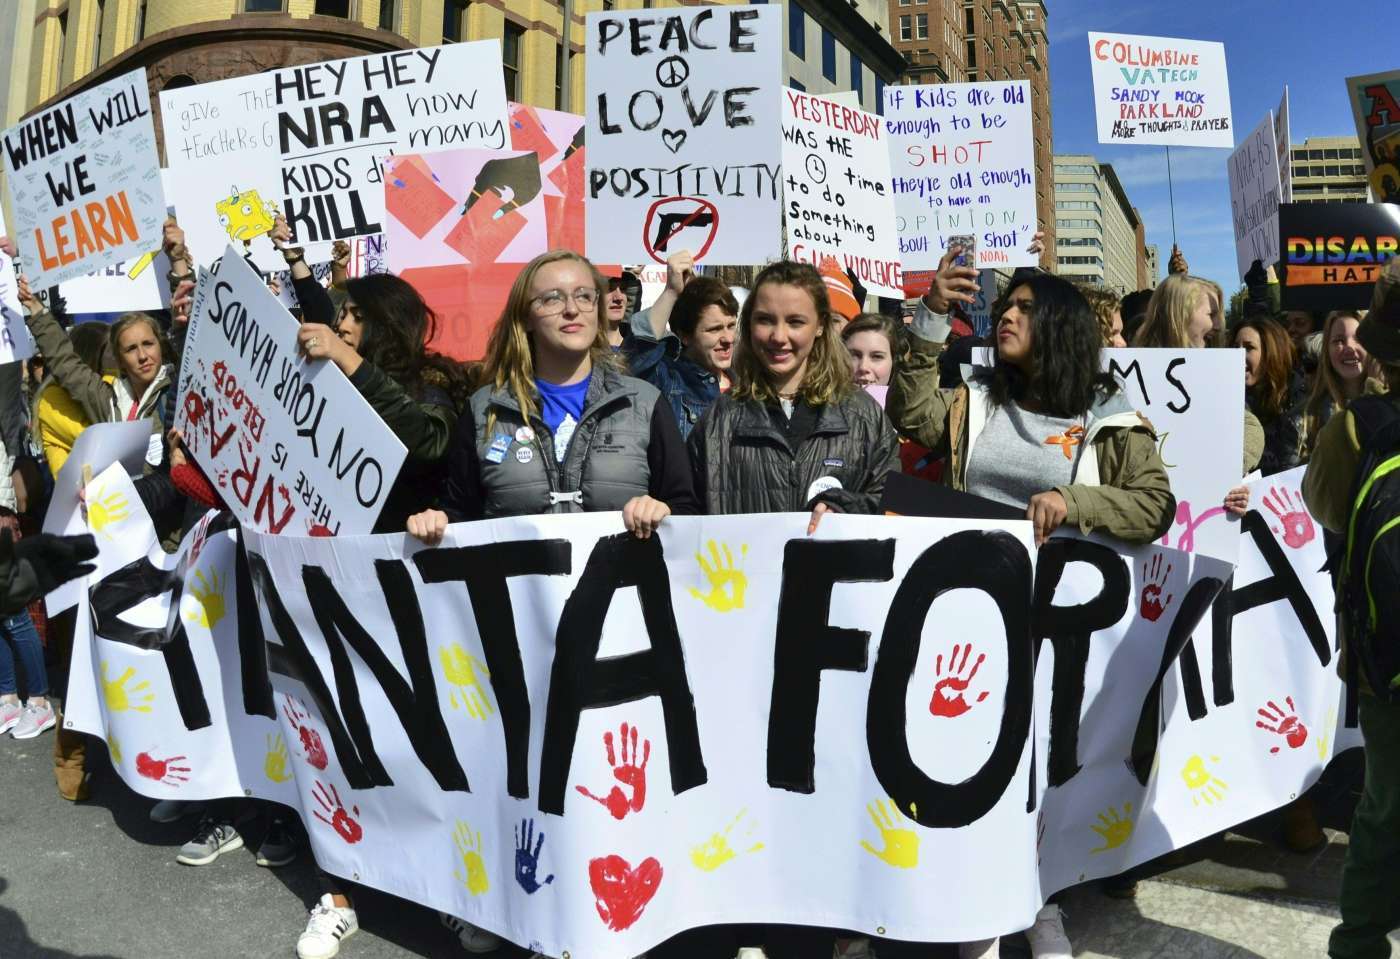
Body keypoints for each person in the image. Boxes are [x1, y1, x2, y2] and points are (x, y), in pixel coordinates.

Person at [889, 251, 1175, 959]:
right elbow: (912, 412)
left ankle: (1036, 898)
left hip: (1047, 628)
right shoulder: (976, 397)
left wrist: (1074, 500)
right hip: (961, 618)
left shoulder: (1110, 416)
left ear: (1057, 325)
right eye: (1004, 306)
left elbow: (1154, 503)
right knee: (968, 759)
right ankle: (978, 912)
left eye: (1022, 307)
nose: (1006, 315)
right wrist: (929, 318)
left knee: (1035, 767)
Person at [671, 261, 896, 959]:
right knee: (750, 787)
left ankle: (821, 918)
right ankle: (748, 922)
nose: (777, 335)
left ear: (821, 328)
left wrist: (849, 509)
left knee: (823, 783)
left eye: (795, 320)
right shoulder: (717, 421)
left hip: (835, 642)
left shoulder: (861, 418)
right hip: (741, 642)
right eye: (764, 319)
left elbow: (895, 511)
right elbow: (689, 519)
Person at [1301, 257, 1400, 959]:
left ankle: (1361, 942)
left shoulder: (1359, 425)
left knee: (1384, 808)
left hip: (1387, 660)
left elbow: (1324, 505)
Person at [1134, 274, 1263, 515]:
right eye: (1211, 315)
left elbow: (1249, 427)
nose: (1218, 325)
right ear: (1180, 313)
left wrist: (1228, 471)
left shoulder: (1217, 376)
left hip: (1198, 517)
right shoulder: (1130, 372)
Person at [624, 250, 737, 438]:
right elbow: (634, 359)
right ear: (685, 336)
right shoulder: (667, 382)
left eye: (731, 326)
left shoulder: (748, 386)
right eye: (714, 329)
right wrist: (671, 292)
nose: (727, 339)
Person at [1301, 309, 1379, 462]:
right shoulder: (1302, 420)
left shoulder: (1394, 409)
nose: (1349, 347)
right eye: (1339, 341)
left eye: (1359, 338)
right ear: (1326, 352)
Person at [1234, 317, 1306, 476]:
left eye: (1249, 348)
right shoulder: (1228, 404)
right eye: (1235, 347)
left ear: (1271, 353)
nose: (1238, 355)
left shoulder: (1300, 404)